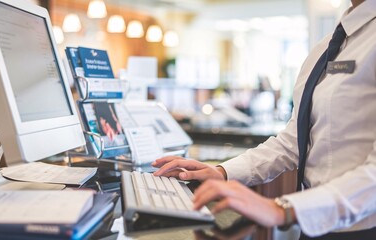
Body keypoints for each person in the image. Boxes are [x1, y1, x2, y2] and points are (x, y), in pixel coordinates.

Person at [152, 0, 376, 239]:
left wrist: (283, 209)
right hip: (315, 226)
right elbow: (294, 141)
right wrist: (222, 171)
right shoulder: (326, 47)